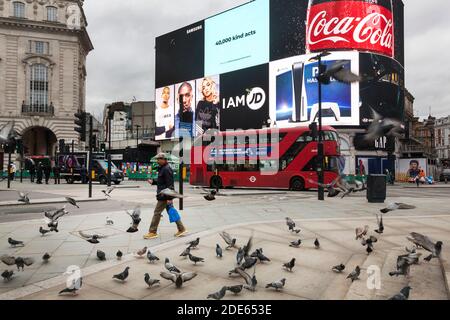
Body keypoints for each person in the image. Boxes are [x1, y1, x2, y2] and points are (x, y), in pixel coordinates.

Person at [143, 153, 187, 240]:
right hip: (164, 195)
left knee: (157, 213)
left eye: (159, 159)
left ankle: (152, 232)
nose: (158, 161)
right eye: (157, 159)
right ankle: (181, 229)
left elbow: (170, 185)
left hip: (164, 195)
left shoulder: (166, 169)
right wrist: (153, 182)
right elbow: (162, 182)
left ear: (164, 160)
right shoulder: (163, 168)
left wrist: (169, 198)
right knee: (171, 211)